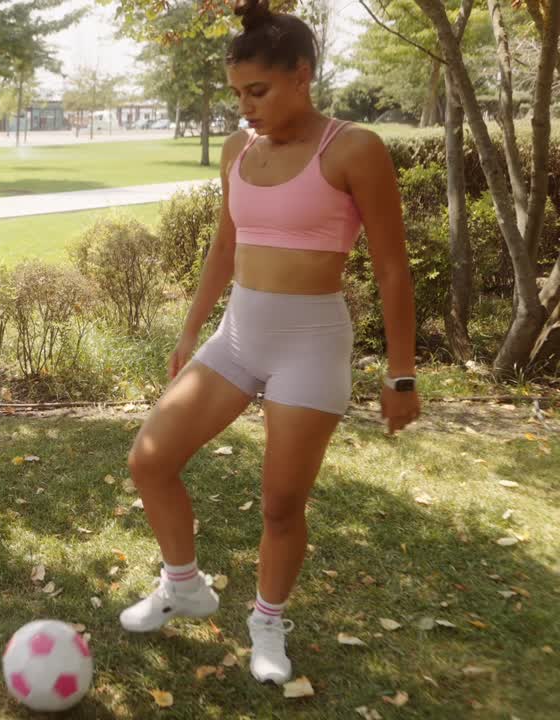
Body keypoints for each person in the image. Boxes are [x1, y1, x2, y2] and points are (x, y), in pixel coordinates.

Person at [118, 0, 420, 687]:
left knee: (282, 504)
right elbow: (225, 246)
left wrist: (401, 376)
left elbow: (395, 266)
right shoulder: (238, 151)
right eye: (237, 94)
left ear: (303, 75)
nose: (245, 108)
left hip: (310, 344)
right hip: (238, 335)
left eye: (257, 91)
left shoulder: (352, 149)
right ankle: (183, 585)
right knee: (150, 459)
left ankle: (268, 619)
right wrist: (191, 327)